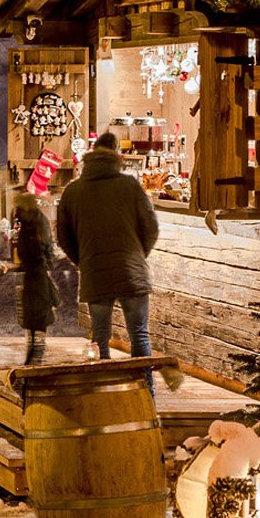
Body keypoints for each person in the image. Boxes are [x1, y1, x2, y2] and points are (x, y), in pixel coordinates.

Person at [55, 130, 159, 371]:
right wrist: (137, 256)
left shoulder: (73, 191)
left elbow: (63, 238)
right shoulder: (130, 186)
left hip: (95, 273)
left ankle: (102, 398)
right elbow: (151, 227)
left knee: (100, 338)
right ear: (117, 155)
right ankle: (145, 397)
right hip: (131, 271)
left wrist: (85, 261)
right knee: (139, 336)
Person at [12, 190, 58, 364]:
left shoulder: (38, 225)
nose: (17, 213)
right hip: (33, 274)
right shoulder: (30, 224)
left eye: (19, 209)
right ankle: (32, 355)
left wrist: (43, 264)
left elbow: (44, 249)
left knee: (38, 316)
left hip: (37, 275)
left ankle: (36, 357)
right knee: (32, 317)